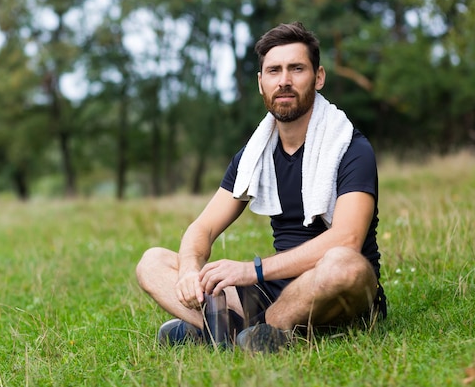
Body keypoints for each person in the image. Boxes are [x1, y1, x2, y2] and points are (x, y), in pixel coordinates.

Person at [136, 21, 386, 353]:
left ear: (319, 76)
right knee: (152, 262)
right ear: (260, 82)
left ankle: (244, 328)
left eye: (296, 69)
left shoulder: (350, 148)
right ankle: (242, 334)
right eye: (274, 71)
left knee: (344, 263)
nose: (284, 80)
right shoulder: (255, 155)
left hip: (330, 288)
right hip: (272, 290)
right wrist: (187, 271)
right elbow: (203, 228)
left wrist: (252, 270)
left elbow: (348, 239)